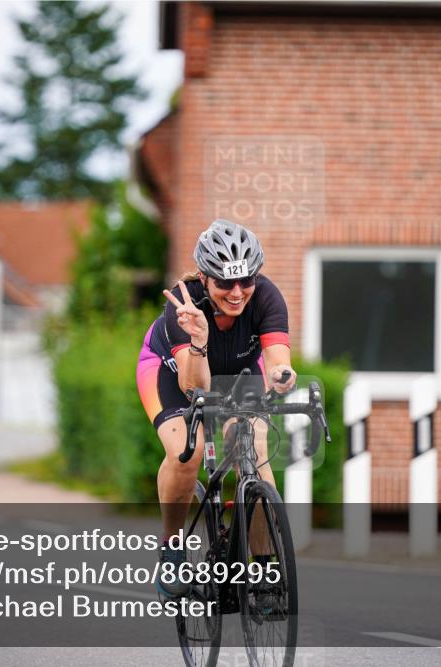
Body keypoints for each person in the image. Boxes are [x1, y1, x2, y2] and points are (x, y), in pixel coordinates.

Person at [136, 219, 296, 597]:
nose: (238, 292)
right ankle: (172, 547)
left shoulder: (267, 296)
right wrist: (198, 340)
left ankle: (264, 568)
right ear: (205, 279)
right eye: (225, 282)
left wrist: (282, 376)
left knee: (253, 448)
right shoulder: (184, 301)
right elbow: (194, 387)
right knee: (185, 454)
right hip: (175, 371)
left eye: (246, 281)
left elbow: (277, 360)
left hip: (239, 374)